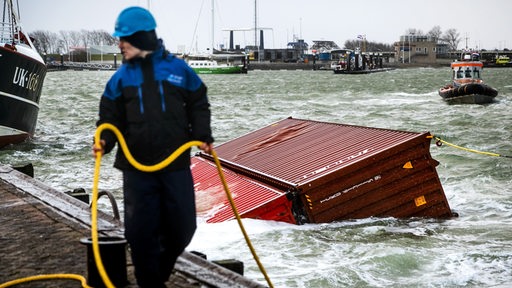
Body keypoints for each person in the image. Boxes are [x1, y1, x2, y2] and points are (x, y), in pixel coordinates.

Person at [92, 6, 213, 288]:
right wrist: (104, 142)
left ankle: (157, 275)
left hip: (175, 164)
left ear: (142, 37)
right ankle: (150, 283)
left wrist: (203, 133)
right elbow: (109, 118)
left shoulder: (178, 70)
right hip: (135, 167)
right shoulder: (120, 79)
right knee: (140, 232)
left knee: (183, 227)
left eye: (123, 38)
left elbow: (199, 101)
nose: (119, 44)